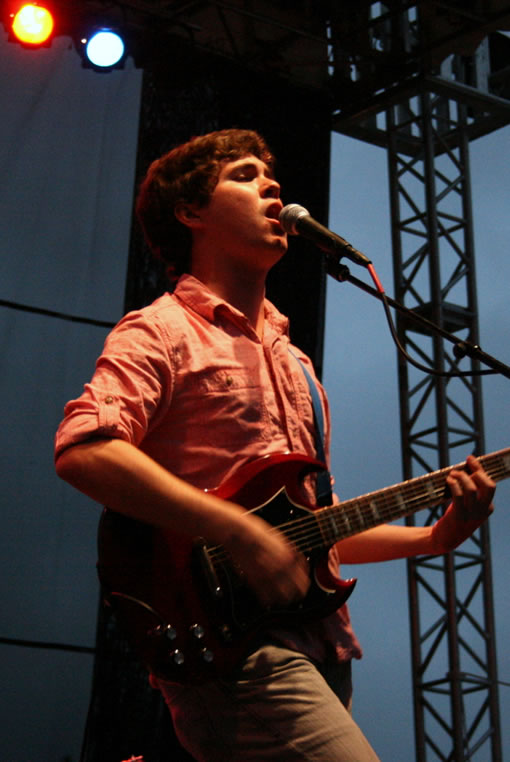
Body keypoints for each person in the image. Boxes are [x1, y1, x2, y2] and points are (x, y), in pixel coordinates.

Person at [55, 128, 495, 761]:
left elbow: (314, 529)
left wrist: (436, 537)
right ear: (191, 213)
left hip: (320, 646)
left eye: (271, 177)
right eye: (243, 175)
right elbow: (83, 449)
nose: (271, 185)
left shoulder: (296, 364)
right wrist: (233, 528)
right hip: (229, 646)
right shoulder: (161, 331)